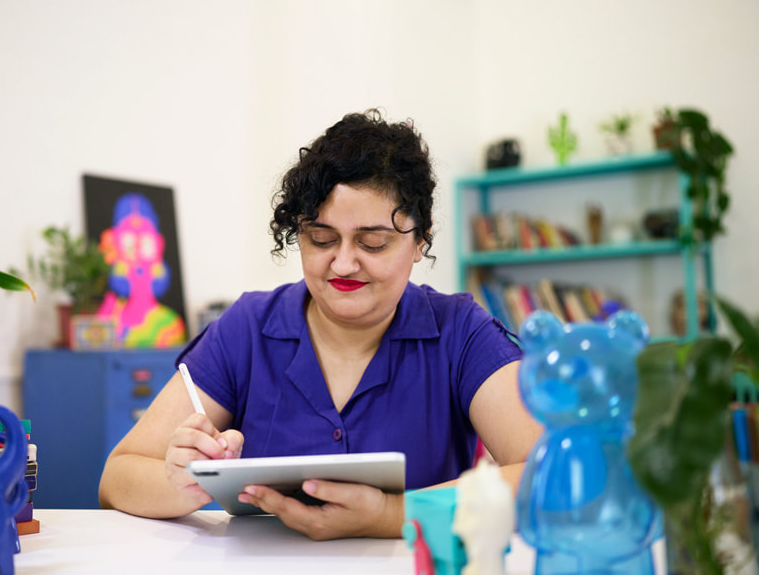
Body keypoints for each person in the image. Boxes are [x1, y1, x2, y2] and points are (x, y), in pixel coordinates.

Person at [98, 109, 542, 540]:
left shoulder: (460, 332)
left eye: (373, 242)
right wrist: (182, 481)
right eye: (321, 239)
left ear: (418, 243)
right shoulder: (248, 328)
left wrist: (392, 514)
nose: (344, 263)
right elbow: (117, 477)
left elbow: (548, 474)